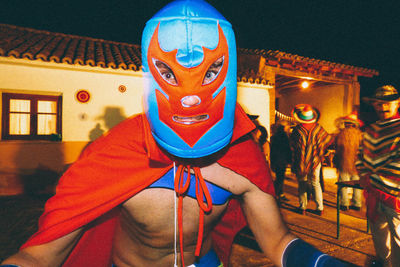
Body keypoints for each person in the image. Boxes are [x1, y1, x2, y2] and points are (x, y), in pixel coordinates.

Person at [1, 1, 346, 266]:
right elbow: (41, 255)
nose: (192, 95)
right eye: (168, 72)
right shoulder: (117, 153)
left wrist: (321, 262)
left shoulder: (242, 152)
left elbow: (276, 240)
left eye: (211, 73)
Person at [356, 85, 400, 267]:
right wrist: (363, 172)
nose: (382, 107)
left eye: (387, 103)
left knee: (398, 242)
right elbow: (361, 157)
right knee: (380, 243)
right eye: (378, 103)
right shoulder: (371, 130)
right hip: (374, 197)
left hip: (396, 198)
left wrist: (372, 178)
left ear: (397, 103)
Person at [290, 104, 332, 215]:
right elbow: (328, 139)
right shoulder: (318, 128)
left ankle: (302, 207)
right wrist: (319, 149)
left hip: (301, 161)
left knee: (302, 183)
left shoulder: (297, 129)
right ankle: (320, 208)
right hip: (315, 161)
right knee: (316, 183)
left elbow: (292, 144)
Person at [334, 111, 364, 211]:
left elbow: (336, 149)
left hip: (343, 163)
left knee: (343, 183)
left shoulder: (340, 134)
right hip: (357, 164)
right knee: (357, 184)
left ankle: (344, 204)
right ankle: (357, 204)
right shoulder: (360, 135)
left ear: (346, 123)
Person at [270, 121, 292, 202]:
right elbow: (287, 149)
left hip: (276, 160)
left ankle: (279, 193)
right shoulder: (284, 136)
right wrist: (290, 160)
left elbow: (272, 150)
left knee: (279, 177)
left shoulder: (274, 136)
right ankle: (277, 194)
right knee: (280, 178)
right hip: (282, 160)